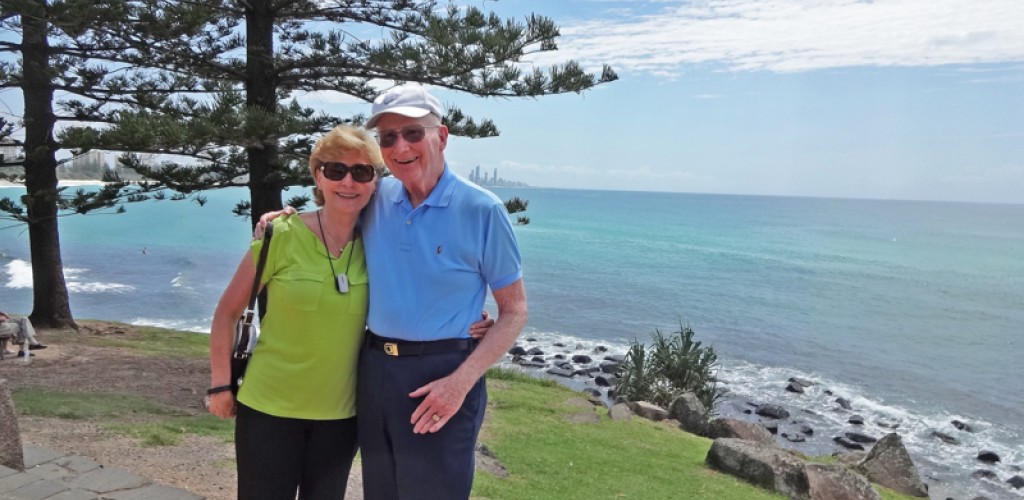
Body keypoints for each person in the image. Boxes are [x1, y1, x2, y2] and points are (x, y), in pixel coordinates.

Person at [265, 84, 528, 499]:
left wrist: (459, 383)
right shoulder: (377, 196)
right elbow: (332, 212)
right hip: (374, 371)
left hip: (443, 373)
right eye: (388, 137)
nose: (400, 146)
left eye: (413, 133)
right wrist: (285, 220)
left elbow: (514, 310)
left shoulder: (483, 210)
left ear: (441, 137)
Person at [208, 125, 381, 500]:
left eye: (361, 172)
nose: (348, 181)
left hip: (341, 418)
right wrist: (220, 385)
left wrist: (470, 319)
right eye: (336, 170)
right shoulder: (281, 234)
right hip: (268, 411)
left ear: (374, 182)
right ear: (318, 176)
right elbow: (227, 313)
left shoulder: (380, 243)